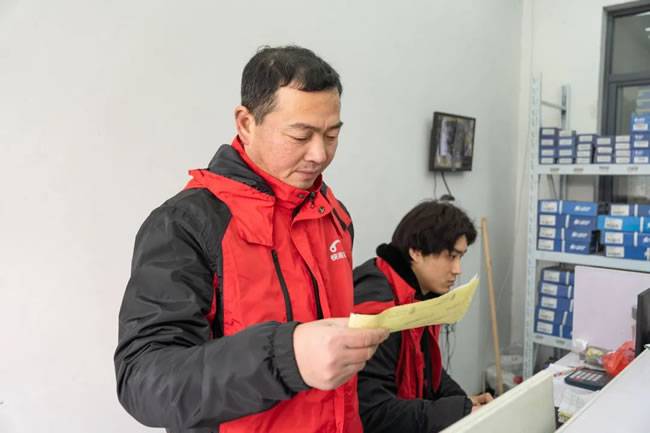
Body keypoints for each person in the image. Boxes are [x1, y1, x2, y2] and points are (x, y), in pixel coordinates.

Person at [114, 45, 388, 433]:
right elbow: (144, 381)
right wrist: (286, 357)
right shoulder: (186, 224)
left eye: (331, 135)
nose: (319, 154)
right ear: (246, 123)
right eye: (300, 135)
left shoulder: (334, 215)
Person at [353, 200, 493, 433]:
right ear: (416, 252)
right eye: (451, 256)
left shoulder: (418, 294)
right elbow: (373, 412)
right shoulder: (379, 307)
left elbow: (427, 366)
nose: (458, 270)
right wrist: (459, 412)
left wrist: (463, 403)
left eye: (461, 257)